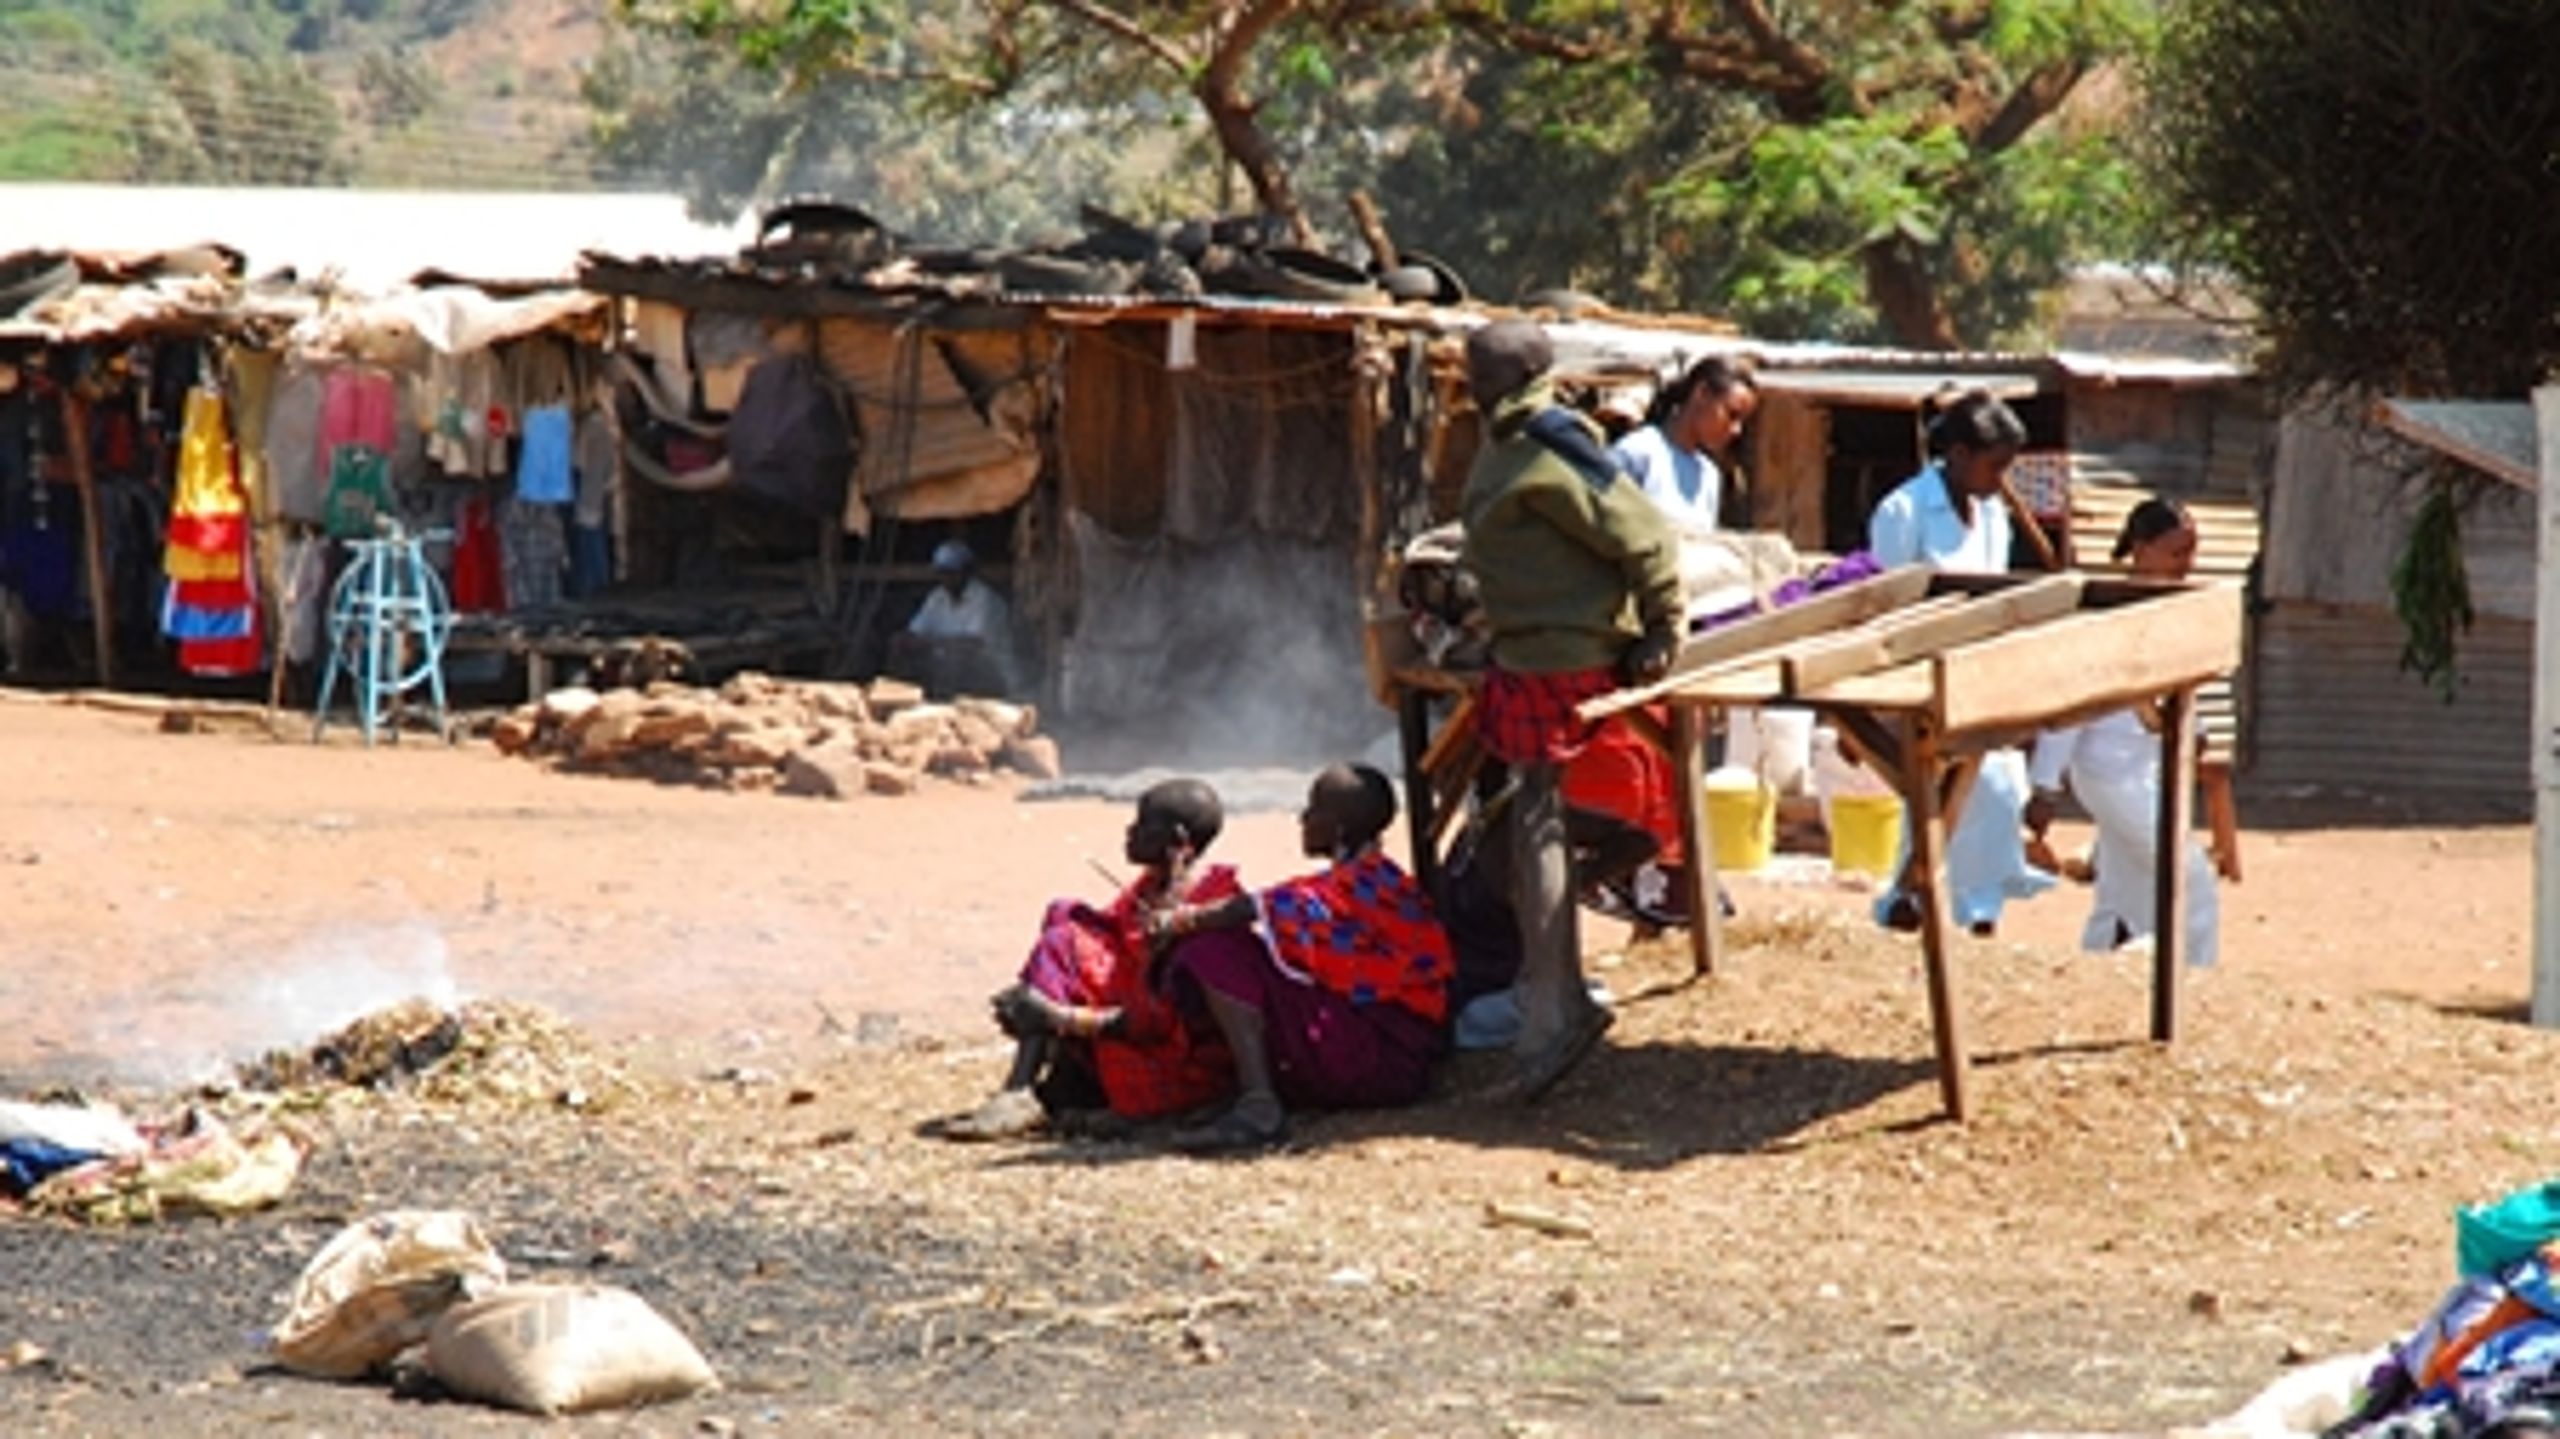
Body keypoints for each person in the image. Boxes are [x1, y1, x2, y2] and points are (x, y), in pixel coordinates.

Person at [1458, 318, 1685, 1101]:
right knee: (1525, 827)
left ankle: (1553, 1011)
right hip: (1524, 654)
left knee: (1541, 827)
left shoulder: (1556, 436)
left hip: (1572, 658)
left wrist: (1665, 623)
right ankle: (1552, 993)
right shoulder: (1504, 437)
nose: (1467, 375)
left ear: (1516, 372)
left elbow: (1644, 532)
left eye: (1478, 365)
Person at [1145, 763, 1455, 1151]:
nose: (1303, 819)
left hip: (1380, 1057)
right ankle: (1250, 1091)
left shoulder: (1360, 883)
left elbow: (1260, 906)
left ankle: (1259, 1106)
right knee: (1237, 956)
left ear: (1339, 828)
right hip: (1392, 1058)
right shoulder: (1376, 880)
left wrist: (1182, 919)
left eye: (1313, 810)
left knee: (1213, 953)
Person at [927, 778, 1242, 1141]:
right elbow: (1100, 949)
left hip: (1181, 1064)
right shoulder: (1151, 889)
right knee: (1065, 920)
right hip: (1133, 1030)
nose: (1130, 831)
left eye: (1143, 823)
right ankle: (1021, 1091)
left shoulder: (1212, 907)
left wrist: (1056, 1016)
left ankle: (1033, 1090)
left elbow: (1160, 1019)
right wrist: (1036, 995)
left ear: (1177, 838)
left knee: (1062, 955)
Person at [1868, 387, 2056, 936]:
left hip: (1978, 672)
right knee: (1939, 788)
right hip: (1919, 673)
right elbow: (1886, 605)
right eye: (1994, 465)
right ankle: (1913, 895)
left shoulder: (1994, 515)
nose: (2001, 479)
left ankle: (1964, 907)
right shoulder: (1902, 511)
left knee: (1987, 786)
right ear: (1958, 455)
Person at [2026, 498, 2233, 967]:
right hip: (2108, 772)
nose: (2188, 563)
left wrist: (2196, 730)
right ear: (2141, 550)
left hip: (2149, 769)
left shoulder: (2176, 610)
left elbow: (2179, 685)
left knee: (2122, 885)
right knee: (2190, 878)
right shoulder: (2108, 616)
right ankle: (2197, 978)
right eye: (2177, 552)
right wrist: (2044, 786)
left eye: (2192, 551)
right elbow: (2073, 704)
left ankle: (2095, 963)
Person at [1610, 355, 1758, 534]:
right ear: (1701, 393)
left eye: (1742, 421)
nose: (1736, 430)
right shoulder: (1636, 454)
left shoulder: (1708, 475)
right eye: (1731, 414)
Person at [890, 539, 1019, 698]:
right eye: (943, 573)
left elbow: (972, 645)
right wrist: (905, 640)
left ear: (967, 572)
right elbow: (916, 630)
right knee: (899, 645)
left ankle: (947, 701)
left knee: (955, 655)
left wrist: (930, 643)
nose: (947, 578)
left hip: (991, 673)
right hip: (946, 666)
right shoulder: (938, 597)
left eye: (952, 573)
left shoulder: (984, 599)